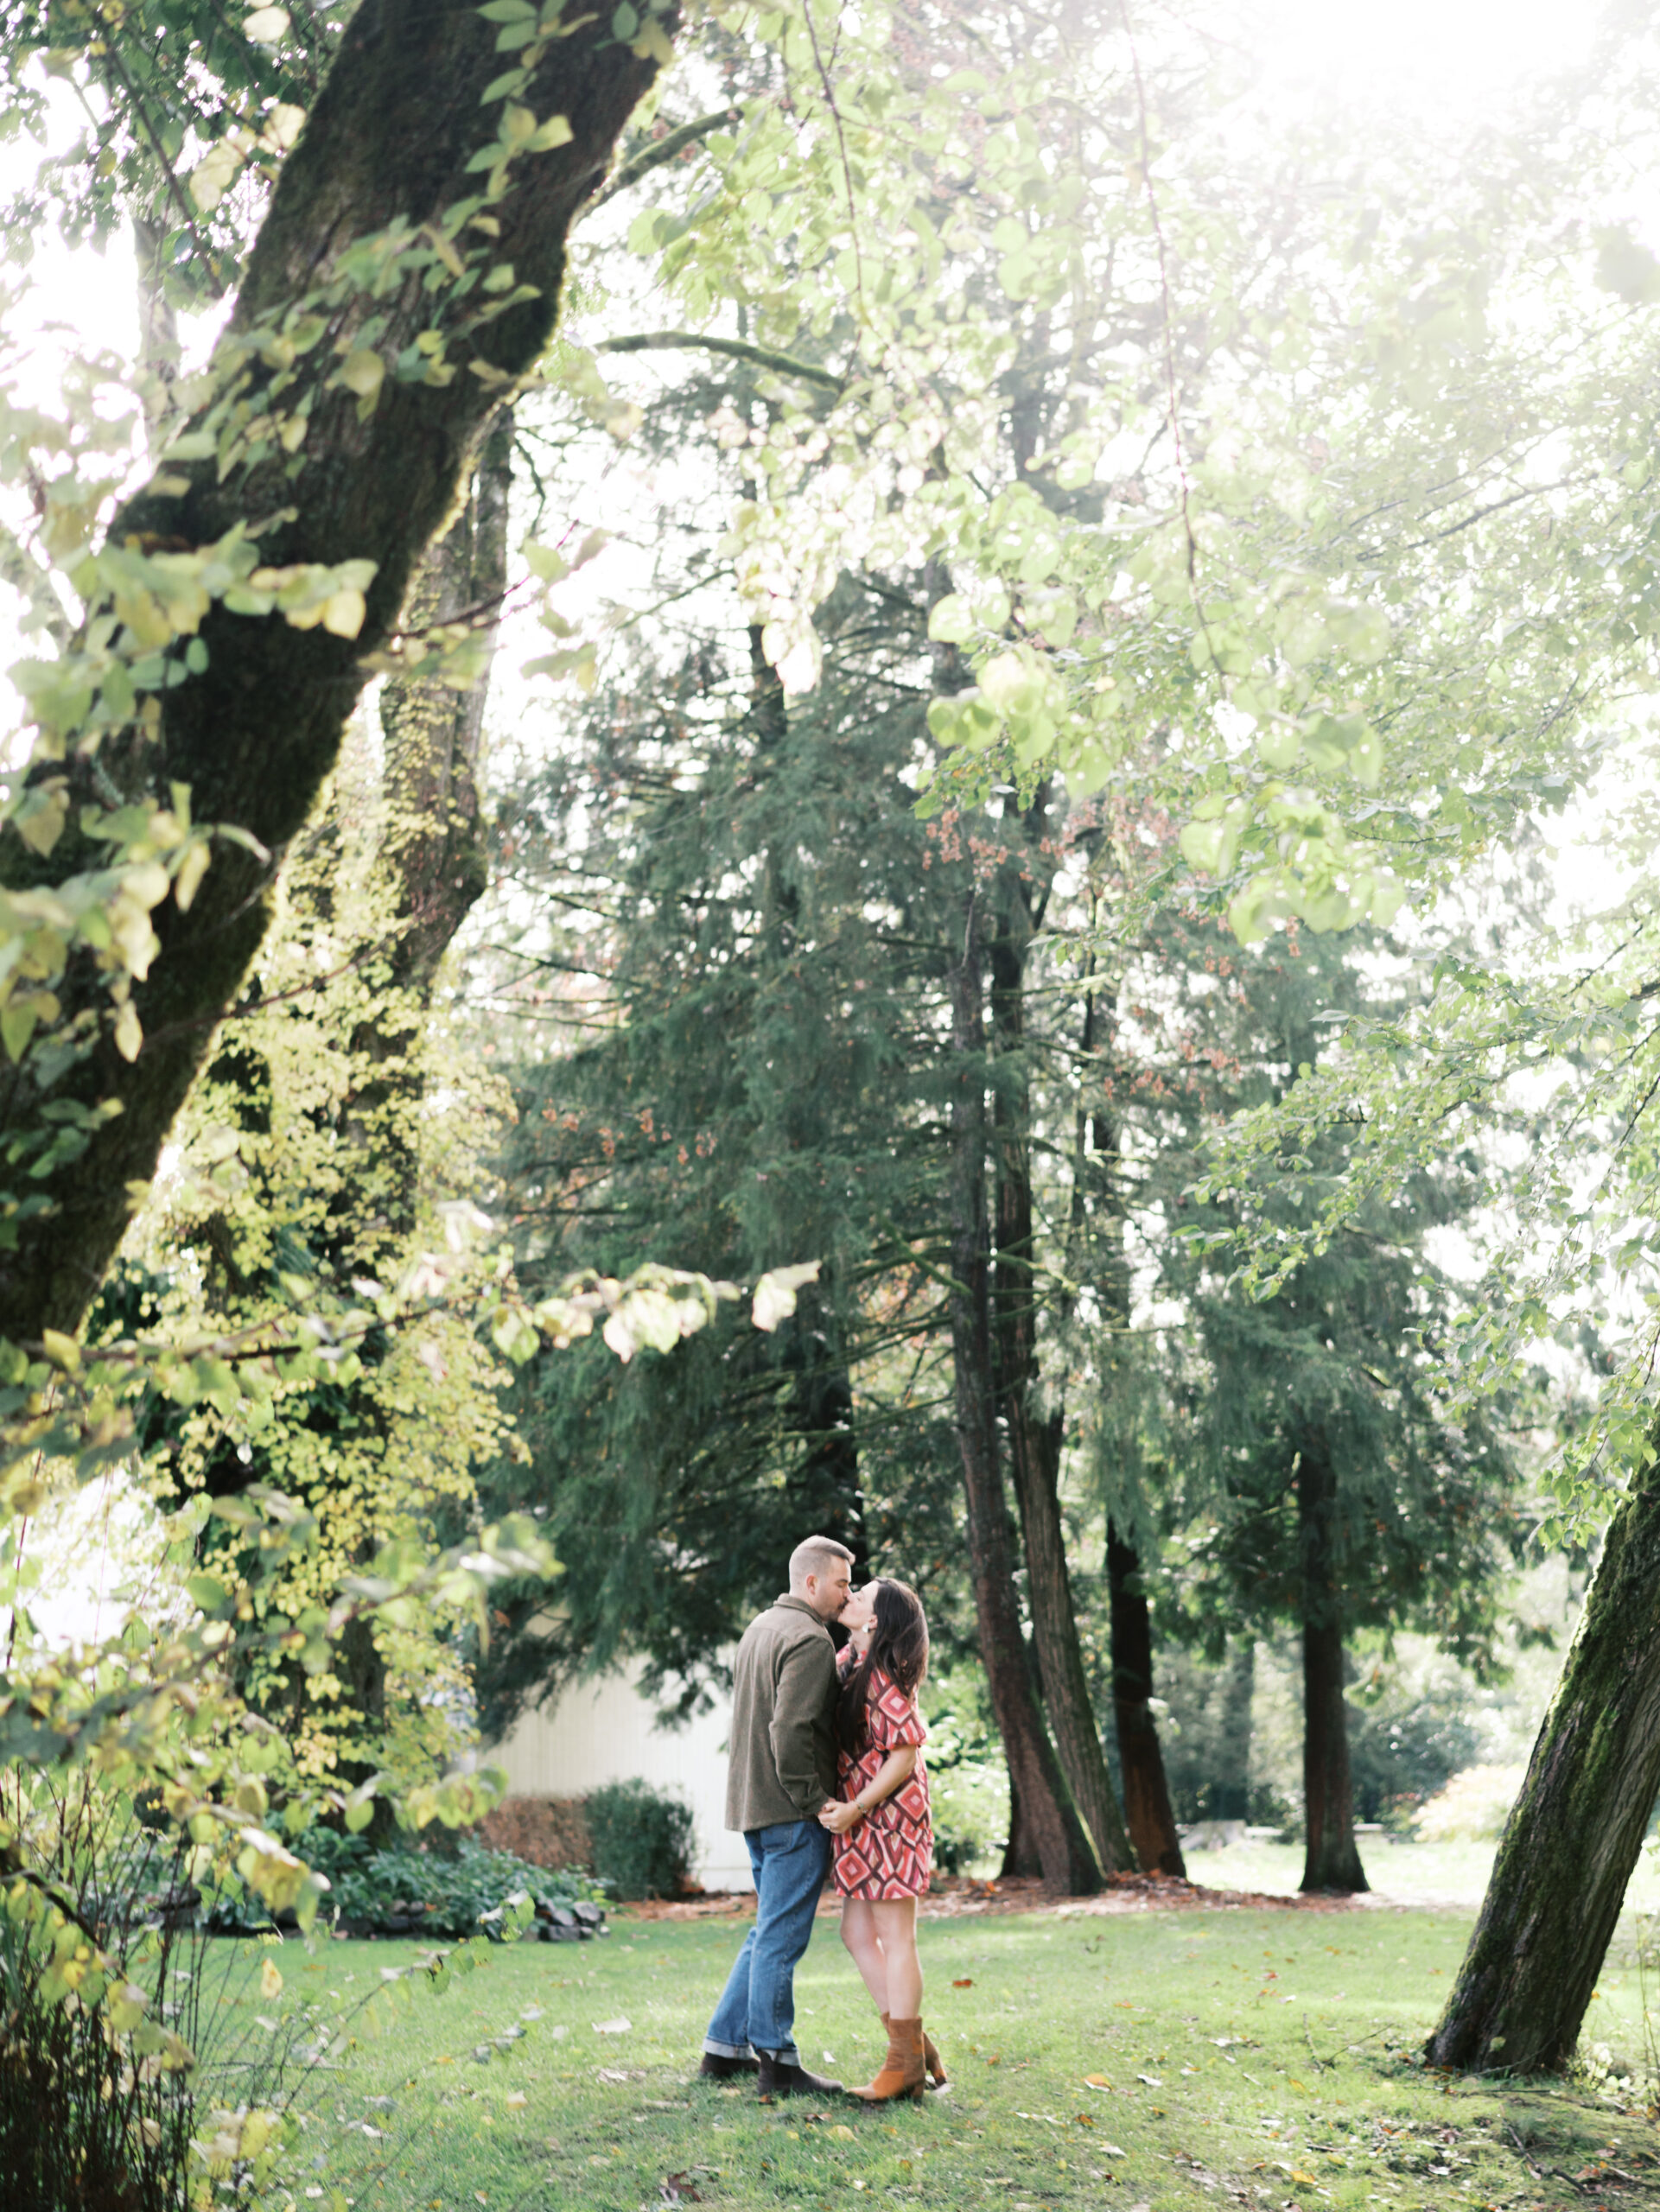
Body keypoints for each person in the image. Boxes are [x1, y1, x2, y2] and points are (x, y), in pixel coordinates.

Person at [699, 1534, 854, 2100]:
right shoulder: (809, 1640)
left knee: (765, 1929)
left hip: (753, 1806)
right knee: (781, 1937)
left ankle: (722, 2049)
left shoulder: (760, 1628)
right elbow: (788, 1731)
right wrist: (815, 1801)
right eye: (840, 1583)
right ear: (810, 1582)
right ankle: (776, 2058)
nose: (847, 1594)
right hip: (790, 1811)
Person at [818, 1576, 944, 2101]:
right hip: (864, 1816)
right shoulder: (851, 1660)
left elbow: (905, 1753)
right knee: (854, 1933)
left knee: (897, 1939)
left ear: (875, 1620)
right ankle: (913, 2045)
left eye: (861, 1595)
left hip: (887, 1815)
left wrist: (856, 1807)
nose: (850, 1596)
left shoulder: (882, 1678)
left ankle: (903, 2063)